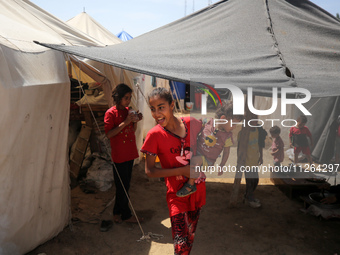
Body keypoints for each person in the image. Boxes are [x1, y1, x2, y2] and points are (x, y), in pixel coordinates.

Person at [141, 87, 205, 255]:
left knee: (189, 238)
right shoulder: (154, 135)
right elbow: (150, 171)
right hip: (176, 195)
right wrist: (183, 170)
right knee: (181, 245)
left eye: (161, 107)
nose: (156, 113)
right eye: (152, 109)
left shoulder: (192, 124)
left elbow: (209, 143)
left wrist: (202, 161)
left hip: (197, 190)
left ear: (172, 105)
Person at [176, 101, 243, 197]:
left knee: (194, 161)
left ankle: (190, 185)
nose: (235, 127)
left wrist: (222, 165)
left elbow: (226, 152)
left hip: (207, 160)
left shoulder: (227, 136)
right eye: (234, 124)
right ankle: (175, 174)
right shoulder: (208, 122)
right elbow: (195, 124)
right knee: (182, 155)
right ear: (223, 119)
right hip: (196, 151)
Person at [104, 83, 143, 225]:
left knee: (124, 185)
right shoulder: (111, 113)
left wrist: (135, 120)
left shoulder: (128, 110)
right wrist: (126, 122)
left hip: (129, 152)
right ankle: (126, 214)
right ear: (118, 97)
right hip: (119, 154)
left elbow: (132, 129)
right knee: (122, 186)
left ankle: (116, 212)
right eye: (126, 98)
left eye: (129, 98)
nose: (128, 101)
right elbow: (109, 134)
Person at [240, 117, 267, 208]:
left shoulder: (257, 131)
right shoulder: (243, 133)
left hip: (255, 161)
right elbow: (240, 149)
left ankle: (247, 196)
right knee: (250, 181)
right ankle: (250, 199)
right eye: (253, 121)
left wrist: (261, 156)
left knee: (255, 180)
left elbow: (260, 144)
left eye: (256, 120)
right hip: (247, 162)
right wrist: (241, 160)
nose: (256, 122)